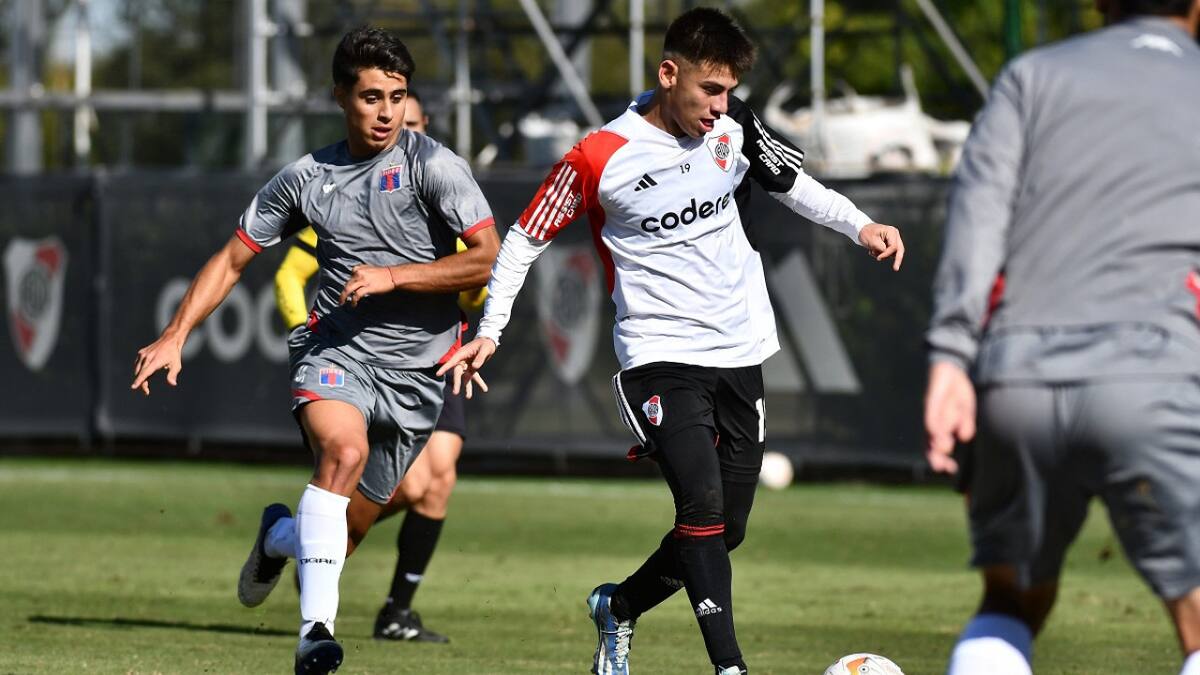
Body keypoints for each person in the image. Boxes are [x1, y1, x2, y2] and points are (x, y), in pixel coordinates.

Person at [440, 8, 904, 674]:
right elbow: (523, 239)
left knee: (727, 529)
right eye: (709, 90)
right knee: (703, 505)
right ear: (668, 73)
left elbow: (790, 183)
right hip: (658, 355)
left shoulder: (733, 124)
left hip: (741, 348)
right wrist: (491, 330)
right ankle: (731, 667)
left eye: (728, 91)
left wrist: (861, 225)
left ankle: (618, 607)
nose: (721, 106)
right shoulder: (599, 154)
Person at [131, 26, 499, 675]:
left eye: (397, 95)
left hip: (419, 376)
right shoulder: (305, 178)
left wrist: (395, 274)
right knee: (343, 451)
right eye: (370, 96)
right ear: (339, 96)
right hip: (337, 350)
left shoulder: (434, 165)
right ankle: (315, 635)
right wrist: (176, 331)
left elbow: (486, 259)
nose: (385, 111)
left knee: (347, 529)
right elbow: (233, 257)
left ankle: (278, 536)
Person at [923, 1, 1200, 673]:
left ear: (1102, 2)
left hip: (1018, 378)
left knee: (1010, 601)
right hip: (1155, 374)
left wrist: (951, 358)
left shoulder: (1031, 75)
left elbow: (978, 215)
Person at [273, 88, 484, 644]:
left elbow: (479, 274)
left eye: (408, 118)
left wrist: (466, 304)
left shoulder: (441, 183)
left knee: (435, 482)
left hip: (433, 358)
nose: (393, 125)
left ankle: (392, 607)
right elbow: (289, 273)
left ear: (423, 124)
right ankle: (310, 556)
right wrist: (308, 328)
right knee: (379, 474)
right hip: (357, 359)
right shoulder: (340, 194)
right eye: (380, 109)